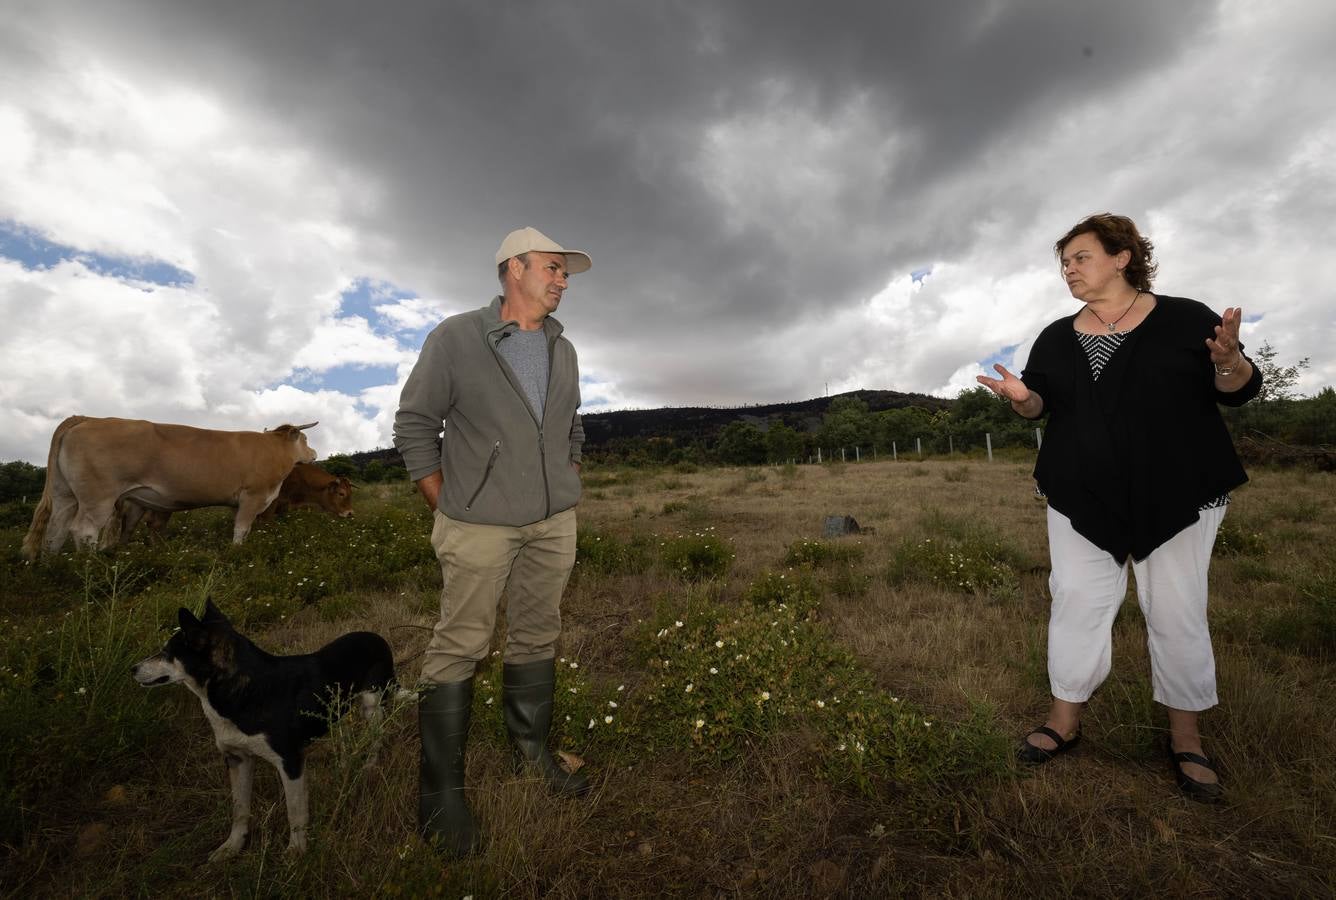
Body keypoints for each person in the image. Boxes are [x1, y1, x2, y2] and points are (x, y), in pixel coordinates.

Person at [977, 212, 1262, 803]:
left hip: (1178, 491)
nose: (1069, 270)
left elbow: (1236, 390)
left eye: (1080, 257)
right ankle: (1064, 722)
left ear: (1121, 257)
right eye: (1064, 262)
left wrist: (1230, 361)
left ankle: (1187, 738)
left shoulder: (1185, 317)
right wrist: (1023, 399)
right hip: (1082, 494)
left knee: (1177, 608)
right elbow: (1037, 407)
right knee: (1076, 601)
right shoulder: (1057, 336)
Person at [394, 226, 592, 855]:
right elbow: (416, 422)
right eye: (554, 268)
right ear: (514, 268)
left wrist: (567, 472)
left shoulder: (564, 349)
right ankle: (440, 794)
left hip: (553, 521)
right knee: (460, 644)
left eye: (565, 273)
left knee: (539, 633)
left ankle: (531, 755)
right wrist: (445, 498)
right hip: (477, 524)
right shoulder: (457, 337)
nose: (563, 280)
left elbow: (572, 424)